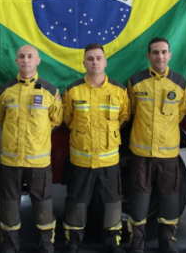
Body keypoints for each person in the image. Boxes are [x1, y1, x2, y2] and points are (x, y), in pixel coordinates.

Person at [62, 43, 131, 253]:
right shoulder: (72, 90)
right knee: (77, 202)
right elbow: (66, 119)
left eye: (98, 58)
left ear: (105, 62)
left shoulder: (119, 91)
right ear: (83, 63)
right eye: (90, 59)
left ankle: (112, 241)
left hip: (109, 161)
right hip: (81, 161)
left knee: (112, 202)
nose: (94, 62)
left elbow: (124, 117)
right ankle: (73, 241)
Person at [0, 45, 63, 253]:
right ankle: (9, 245)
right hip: (10, 162)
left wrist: (38, 136)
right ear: (16, 61)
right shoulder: (4, 90)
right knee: (8, 206)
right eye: (22, 56)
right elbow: (1, 119)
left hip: (39, 162)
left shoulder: (50, 91)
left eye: (30, 56)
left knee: (43, 206)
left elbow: (57, 120)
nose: (26, 60)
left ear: (38, 61)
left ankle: (45, 245)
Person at [127, 37, 186, 253]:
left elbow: (181, 113)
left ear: (170, 55)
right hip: (141, 154)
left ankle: (168, 243)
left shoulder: (180, 83)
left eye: (164, 52)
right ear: (148, 56)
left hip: (168, 156)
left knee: (170, 200)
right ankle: (137, 244)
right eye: (155, 52)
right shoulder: (135, 81)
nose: (160, 56)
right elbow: (132, 111)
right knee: (139, 200)